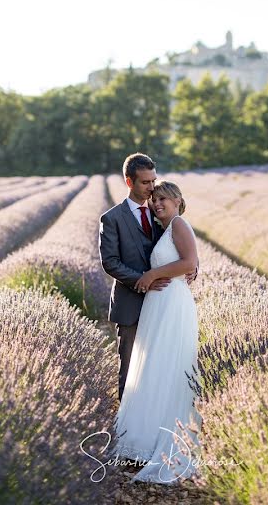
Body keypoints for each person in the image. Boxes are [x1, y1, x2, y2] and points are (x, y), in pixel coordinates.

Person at [109, 180, 202, 484]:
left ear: (177, 200)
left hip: (172, 305)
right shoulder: (165, 229)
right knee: (153, 368)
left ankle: (164, 443)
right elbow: (183, 263)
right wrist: (156, 275)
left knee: (168, 366)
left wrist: (152, 274)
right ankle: (146, 441)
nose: (157, 203)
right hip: (157, 305)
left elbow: (189, 262)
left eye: (164, 198)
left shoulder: (178, 224)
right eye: (154, 199)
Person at [99, 153, 197, 401]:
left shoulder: (160, 213)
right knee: (131, 368)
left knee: (159, 367)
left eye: (154, 181)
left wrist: (193, 266)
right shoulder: (111, 218)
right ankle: (124, 427)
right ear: (129, 182)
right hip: (131, 303)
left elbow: (180, 247)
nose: (152, 188)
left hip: (163, 305)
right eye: (145, 183)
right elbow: (110, 262)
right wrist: (145, 280)